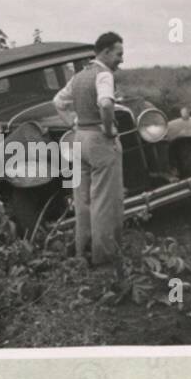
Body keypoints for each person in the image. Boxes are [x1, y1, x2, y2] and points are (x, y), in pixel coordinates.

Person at [52, 31, 126, 269]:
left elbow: (58, 102)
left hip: (79, 139)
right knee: (104, 199)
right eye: (118, 54)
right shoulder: (104, 75)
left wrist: (73, 123)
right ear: (105, 52)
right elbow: (105, 104)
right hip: (98, 140)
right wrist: (107, 129)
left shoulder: (79, 76)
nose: (121, 60)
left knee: (82, 200)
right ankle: (104, 255)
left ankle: (81, 250)